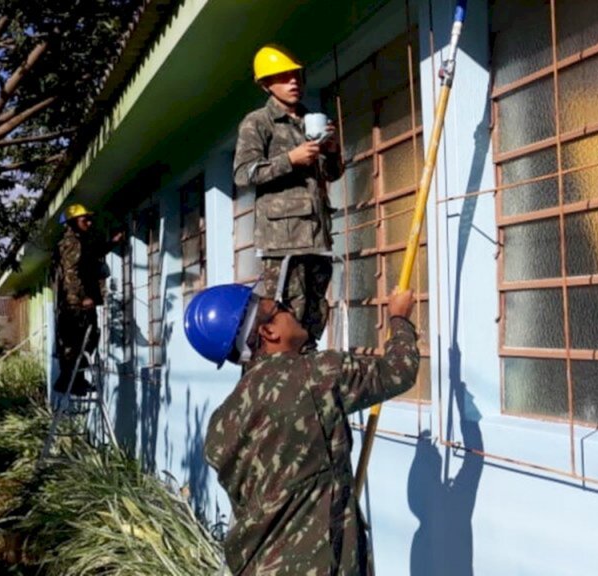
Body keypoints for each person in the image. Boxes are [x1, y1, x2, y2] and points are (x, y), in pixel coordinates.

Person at [184, 283, 418, 575]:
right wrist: (400, 318)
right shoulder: (315, 375)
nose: (291, 311)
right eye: (280, 307)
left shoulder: (221, 422)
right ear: (268, 332)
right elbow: (399, 370)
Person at [234, 44, 344, 352]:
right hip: (283, 242)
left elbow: (330, 174)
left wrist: (333, 151)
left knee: (315, 311)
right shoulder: (258, 123)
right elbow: (243, 174)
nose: (293, 82)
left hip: (317, 237)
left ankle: (308, 372)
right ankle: (283, 380)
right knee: (285, 316)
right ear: (265, 84)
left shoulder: (311, 120)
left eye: (296, 75)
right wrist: (290, 159)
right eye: (282, 77)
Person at [52, 203, 122, 396]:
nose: (89, 223)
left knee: (85, 342)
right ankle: (70, 382)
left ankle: (74, 382)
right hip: (74, 305)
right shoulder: (71, 242)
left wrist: (113, 243)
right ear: (73, 222)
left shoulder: (80, 241)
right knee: (76, 344)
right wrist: (81, 299)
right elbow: (70, 273)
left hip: (79, 303)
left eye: (89, 219)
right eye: (85, 220)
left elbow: (92, 256)